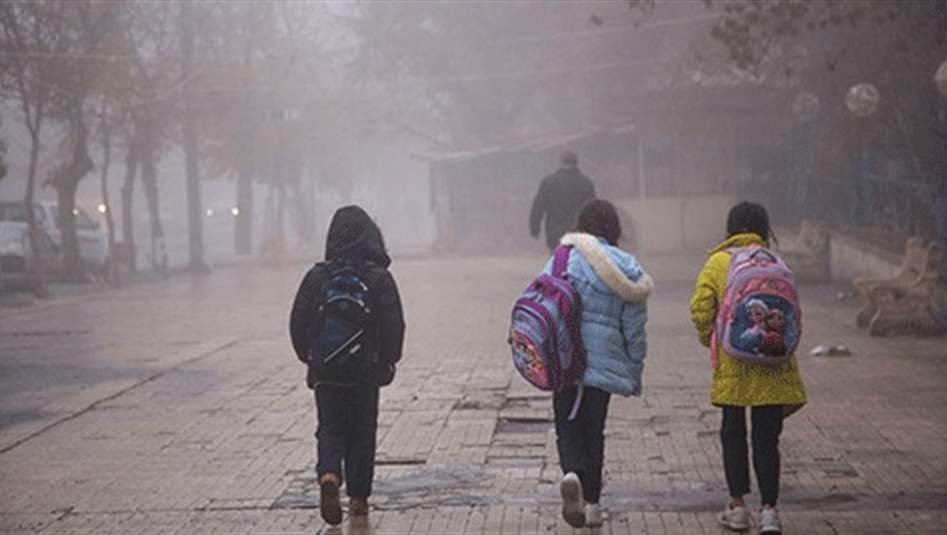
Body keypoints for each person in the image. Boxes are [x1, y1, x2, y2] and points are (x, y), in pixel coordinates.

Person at [688, 201, 807, 534]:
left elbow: (700, 308)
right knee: (767, 438)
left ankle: (737, 506)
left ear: (730, 228)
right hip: (773, 363)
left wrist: (713, 339)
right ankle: (769, 511)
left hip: (734, 362)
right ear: (763, 227)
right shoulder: (776, 262)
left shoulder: (719, 262)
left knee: (733, 432)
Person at [290, 205, 406, 526]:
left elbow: (297, 322)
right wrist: (388, 361)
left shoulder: (317, 277)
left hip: (327, 371)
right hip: (365, 371)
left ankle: (329, 474)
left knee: (329, 427)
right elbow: (393, 324)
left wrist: (310, 357)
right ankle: (358, 500)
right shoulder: (378, 278)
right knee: (362, 432)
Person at [545, 199, 652, 528]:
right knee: (594, 429)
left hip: (565, 358)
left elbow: (543, 302)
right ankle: (592, 503)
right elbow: (634, 328)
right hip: (603, 363)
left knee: (567, 424)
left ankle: (571, 473)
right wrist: (634, 368)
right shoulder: (626, 266)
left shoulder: (563, 258)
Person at [529, 150, 596, 252]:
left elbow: (538, 207)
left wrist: (534, 228)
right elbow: (593, 209)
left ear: (561, 162)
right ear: (576, 163)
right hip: (578, 232)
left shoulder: (549, 182)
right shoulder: (586, 183)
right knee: (576, 259)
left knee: (558, 258)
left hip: (555, 232)